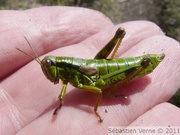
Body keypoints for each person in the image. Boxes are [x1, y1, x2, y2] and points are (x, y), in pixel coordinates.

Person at [0, 7, 180, 135]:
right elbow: (62, 93)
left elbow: (95, 91)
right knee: (97, 80)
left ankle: (143, 64)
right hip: (97, 68)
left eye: (48, 66)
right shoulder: (67, 76)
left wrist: (98, 106)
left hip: (120, 70)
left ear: (59, 66)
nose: (48, 71)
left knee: (99, 88)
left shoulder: (71, 77)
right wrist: (61, 102)